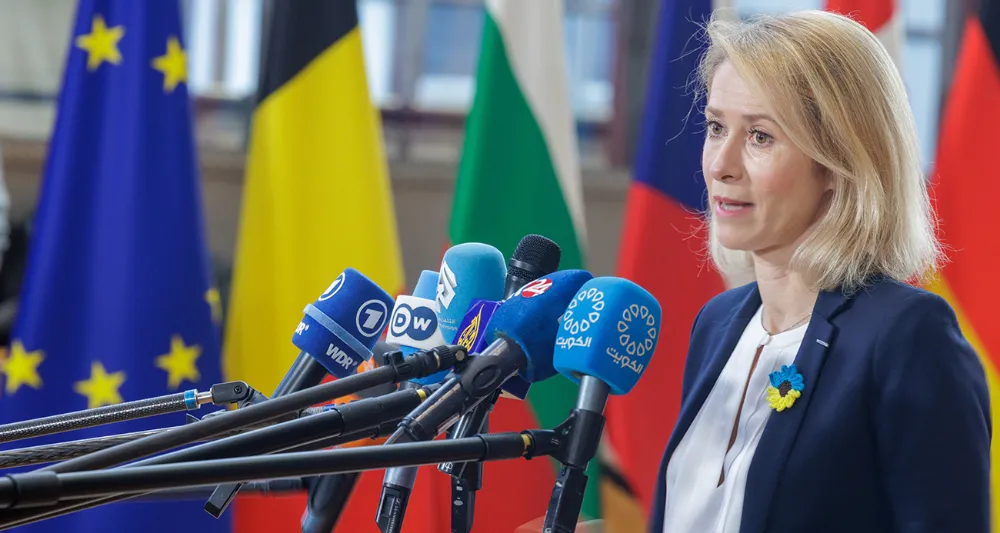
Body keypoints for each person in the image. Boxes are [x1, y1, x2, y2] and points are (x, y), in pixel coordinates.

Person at [650, 9, 991, 533]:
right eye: (716, 127)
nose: (720, 164)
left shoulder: (908, 337)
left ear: (837, 163)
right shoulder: (717, 323)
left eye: (760, 136)